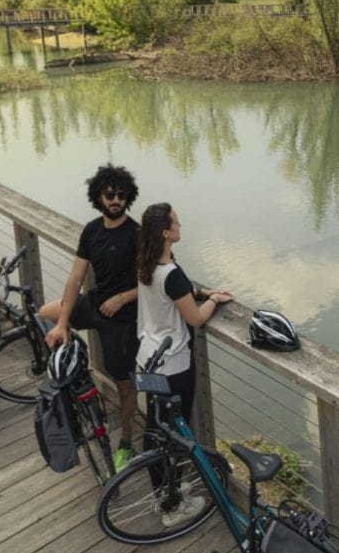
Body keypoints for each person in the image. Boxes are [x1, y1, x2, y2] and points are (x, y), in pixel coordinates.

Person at [135, 202, 232, 526]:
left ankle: (165, 490)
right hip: (174, 366)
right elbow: (195, 317)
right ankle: (171, 506)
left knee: (155, 428)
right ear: (165, 232)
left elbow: (182, 291)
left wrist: (202, 290)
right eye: (176, 222)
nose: (181, 225)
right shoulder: (170, 273)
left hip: (148, 360)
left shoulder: (147, 265)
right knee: (174, 432)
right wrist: (214, 301)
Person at [41, 164, 141, 468]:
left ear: (128, 198)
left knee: (124, 384)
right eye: (110, 194)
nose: (116, 200)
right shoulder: (92, 230)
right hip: (95, 305)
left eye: (122, 195)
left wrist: (123, 297)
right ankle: (76, 362)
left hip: (122, 319)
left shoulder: (136, 234)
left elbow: (152, 282)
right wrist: (62, 323)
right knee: (46, 312)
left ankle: (126, 443)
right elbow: (74, 278)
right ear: (99, 196)